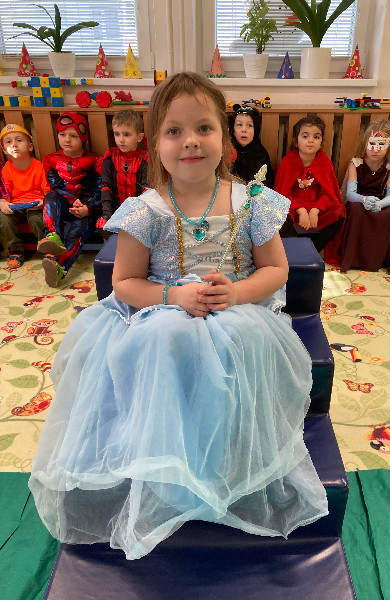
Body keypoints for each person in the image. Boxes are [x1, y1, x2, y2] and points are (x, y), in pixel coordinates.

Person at [29, 72, 328, 560]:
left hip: (236, 310)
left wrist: (237, 292)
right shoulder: (145, 209)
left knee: (238, 339)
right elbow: (126, 282)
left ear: (226, 139)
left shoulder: (250, 202)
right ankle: (168, 466)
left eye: (204, 128)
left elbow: (275, 269)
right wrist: (173, 296)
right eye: (174, 131)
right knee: (168, 336)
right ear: (156, 145)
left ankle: (222, 460)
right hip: (163, 309)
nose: (190, 141)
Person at [37, 112, 102, 287]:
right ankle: (52, 236)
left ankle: (59, 267)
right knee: (50, 196)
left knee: (77, 231)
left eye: (73, 136)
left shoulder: (94, 161)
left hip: (88, 210)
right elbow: (55, 186)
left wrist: (88, 208)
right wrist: (72, 199)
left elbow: (101, 191)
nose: (67, 140)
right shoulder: (51, 160)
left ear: (83, 137)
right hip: (65, 204)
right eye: (62, 134)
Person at [274, 116, 345, 266]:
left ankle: (312, 250)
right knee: (279, 216)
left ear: (321, 141)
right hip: (293, 207)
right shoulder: (287, 162)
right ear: (296, 141)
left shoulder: (325, 162)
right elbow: (282, 194)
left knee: (339, 214)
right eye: (305, 136)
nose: (311, 140)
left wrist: (316, 210)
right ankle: (296, 251)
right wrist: (300, 210)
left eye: (316, 137)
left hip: (316, 206)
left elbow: (328, 193)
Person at [339, 119, 390, 275]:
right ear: (365, 143)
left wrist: (380, 204)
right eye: (372, 144)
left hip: (381, 203)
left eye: (381, 145)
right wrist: (364, 199)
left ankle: (385, 259)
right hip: (359, 202)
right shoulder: (355, 163)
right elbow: (350, 194)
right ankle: (353, 259)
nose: (375, 150)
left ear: (389, 146)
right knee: (355, 210)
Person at [0, 124, 49, 268]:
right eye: (8, 142)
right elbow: (5, 194)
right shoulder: (6, 169)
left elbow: (47, 192)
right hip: (16, 207)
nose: (14, 144)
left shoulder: (39, 166)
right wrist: (3, 203)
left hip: (35, 206)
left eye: (19, 140)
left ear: (30, 146)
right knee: (3, 218)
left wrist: (43, 202)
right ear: (4, 149)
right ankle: (16, 250)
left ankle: (47, 248)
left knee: (35, 219)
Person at [96, 109, 148, 233]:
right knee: (103, 229)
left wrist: (138, 215)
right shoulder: (110, 155)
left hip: (139, 212)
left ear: (139, 137)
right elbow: (106, 186)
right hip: (115, 208)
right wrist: (107, 214)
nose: (121, 140)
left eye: (127, 134)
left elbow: (147, 190)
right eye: (117, 134)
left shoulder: (145, 158)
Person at [229, 104, 275, 188]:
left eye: (249, 125)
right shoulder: (227, 152)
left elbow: (267, 184)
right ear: (233, 129)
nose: (244, 130)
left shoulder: (261, 154)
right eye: (239, 125)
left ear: (256, 129)